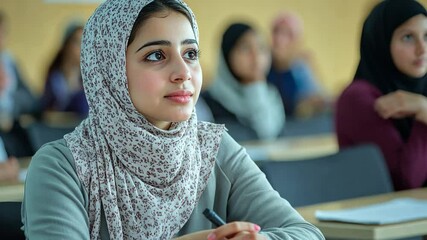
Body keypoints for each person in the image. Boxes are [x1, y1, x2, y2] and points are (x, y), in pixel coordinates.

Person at [22, 0, 325, 239]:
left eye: (191, 53)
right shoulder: (62, 167)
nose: (184, 73)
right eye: (156, 55)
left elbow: (306, 234)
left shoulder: (213, 148)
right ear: (110, 70)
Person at [335, 0, 427, 191]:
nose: (422, 49)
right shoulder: (358, 99)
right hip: (383, 215)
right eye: (408, 37)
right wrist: (424, 113)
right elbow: (407, 180)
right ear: (382, 42)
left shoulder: (422, 89)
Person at [203, 22, 285, 141]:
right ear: (227, 56)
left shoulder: (271, 96)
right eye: (246, 48)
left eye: (261, 48)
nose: (256, 57)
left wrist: (256, 90)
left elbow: (268, 133)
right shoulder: (207, 103)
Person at [268, 11, 329, 119]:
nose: (280, 40)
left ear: (298, 41)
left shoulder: (301, 68)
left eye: (288, 34)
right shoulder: (263, 65)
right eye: (276, 32)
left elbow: (318, 100)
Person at [0, 10, 39, 157]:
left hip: (12, 128)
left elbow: (31, 99)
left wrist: (11, 104)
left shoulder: (9, 62)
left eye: (2, 32)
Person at [39, 22, 88, 118]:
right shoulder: (55, 76)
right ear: (67, 44)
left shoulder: (89, 76)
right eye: (77, 42)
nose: (82, 48)